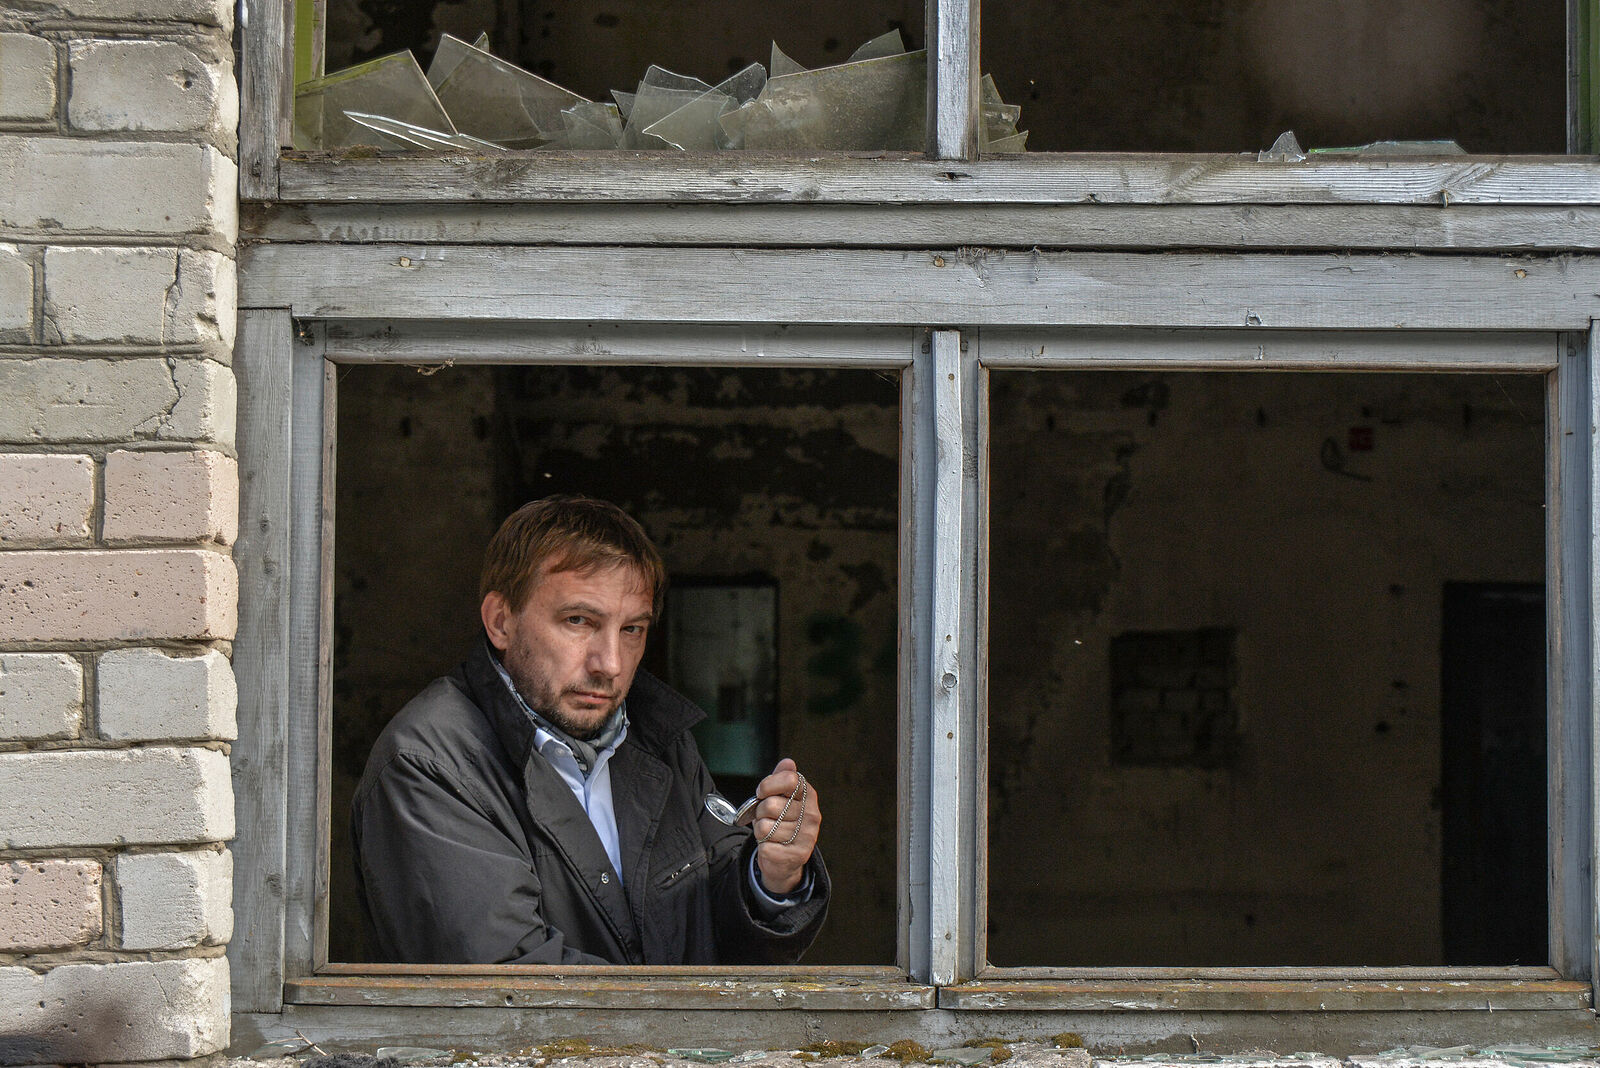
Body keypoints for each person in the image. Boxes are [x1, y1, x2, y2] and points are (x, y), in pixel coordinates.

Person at [351, 495, 828, 964]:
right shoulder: (427, 764)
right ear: (501, 622)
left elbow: (713, 930)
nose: (611, 664)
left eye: (632, 629)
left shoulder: (658, 738)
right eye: (578, 621)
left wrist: (772, 877)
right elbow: (510, 985)